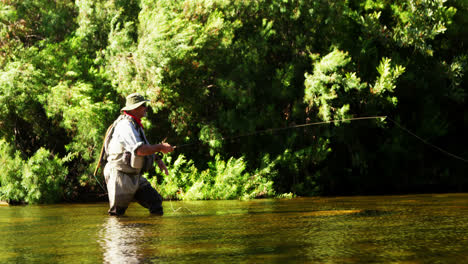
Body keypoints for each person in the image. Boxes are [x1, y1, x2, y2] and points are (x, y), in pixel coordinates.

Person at [101, 93, 174, 216]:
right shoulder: (125, 126)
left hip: (134, 176)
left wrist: (157, 159)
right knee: (117, 214)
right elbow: (139, 150)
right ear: (135, 108)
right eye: (143, 105)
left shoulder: (135, 124)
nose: (146, 108)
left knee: (155, 202)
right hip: (120, 175)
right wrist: (161, 147)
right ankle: (115, 235)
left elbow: (142, 148)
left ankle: (150, 233)